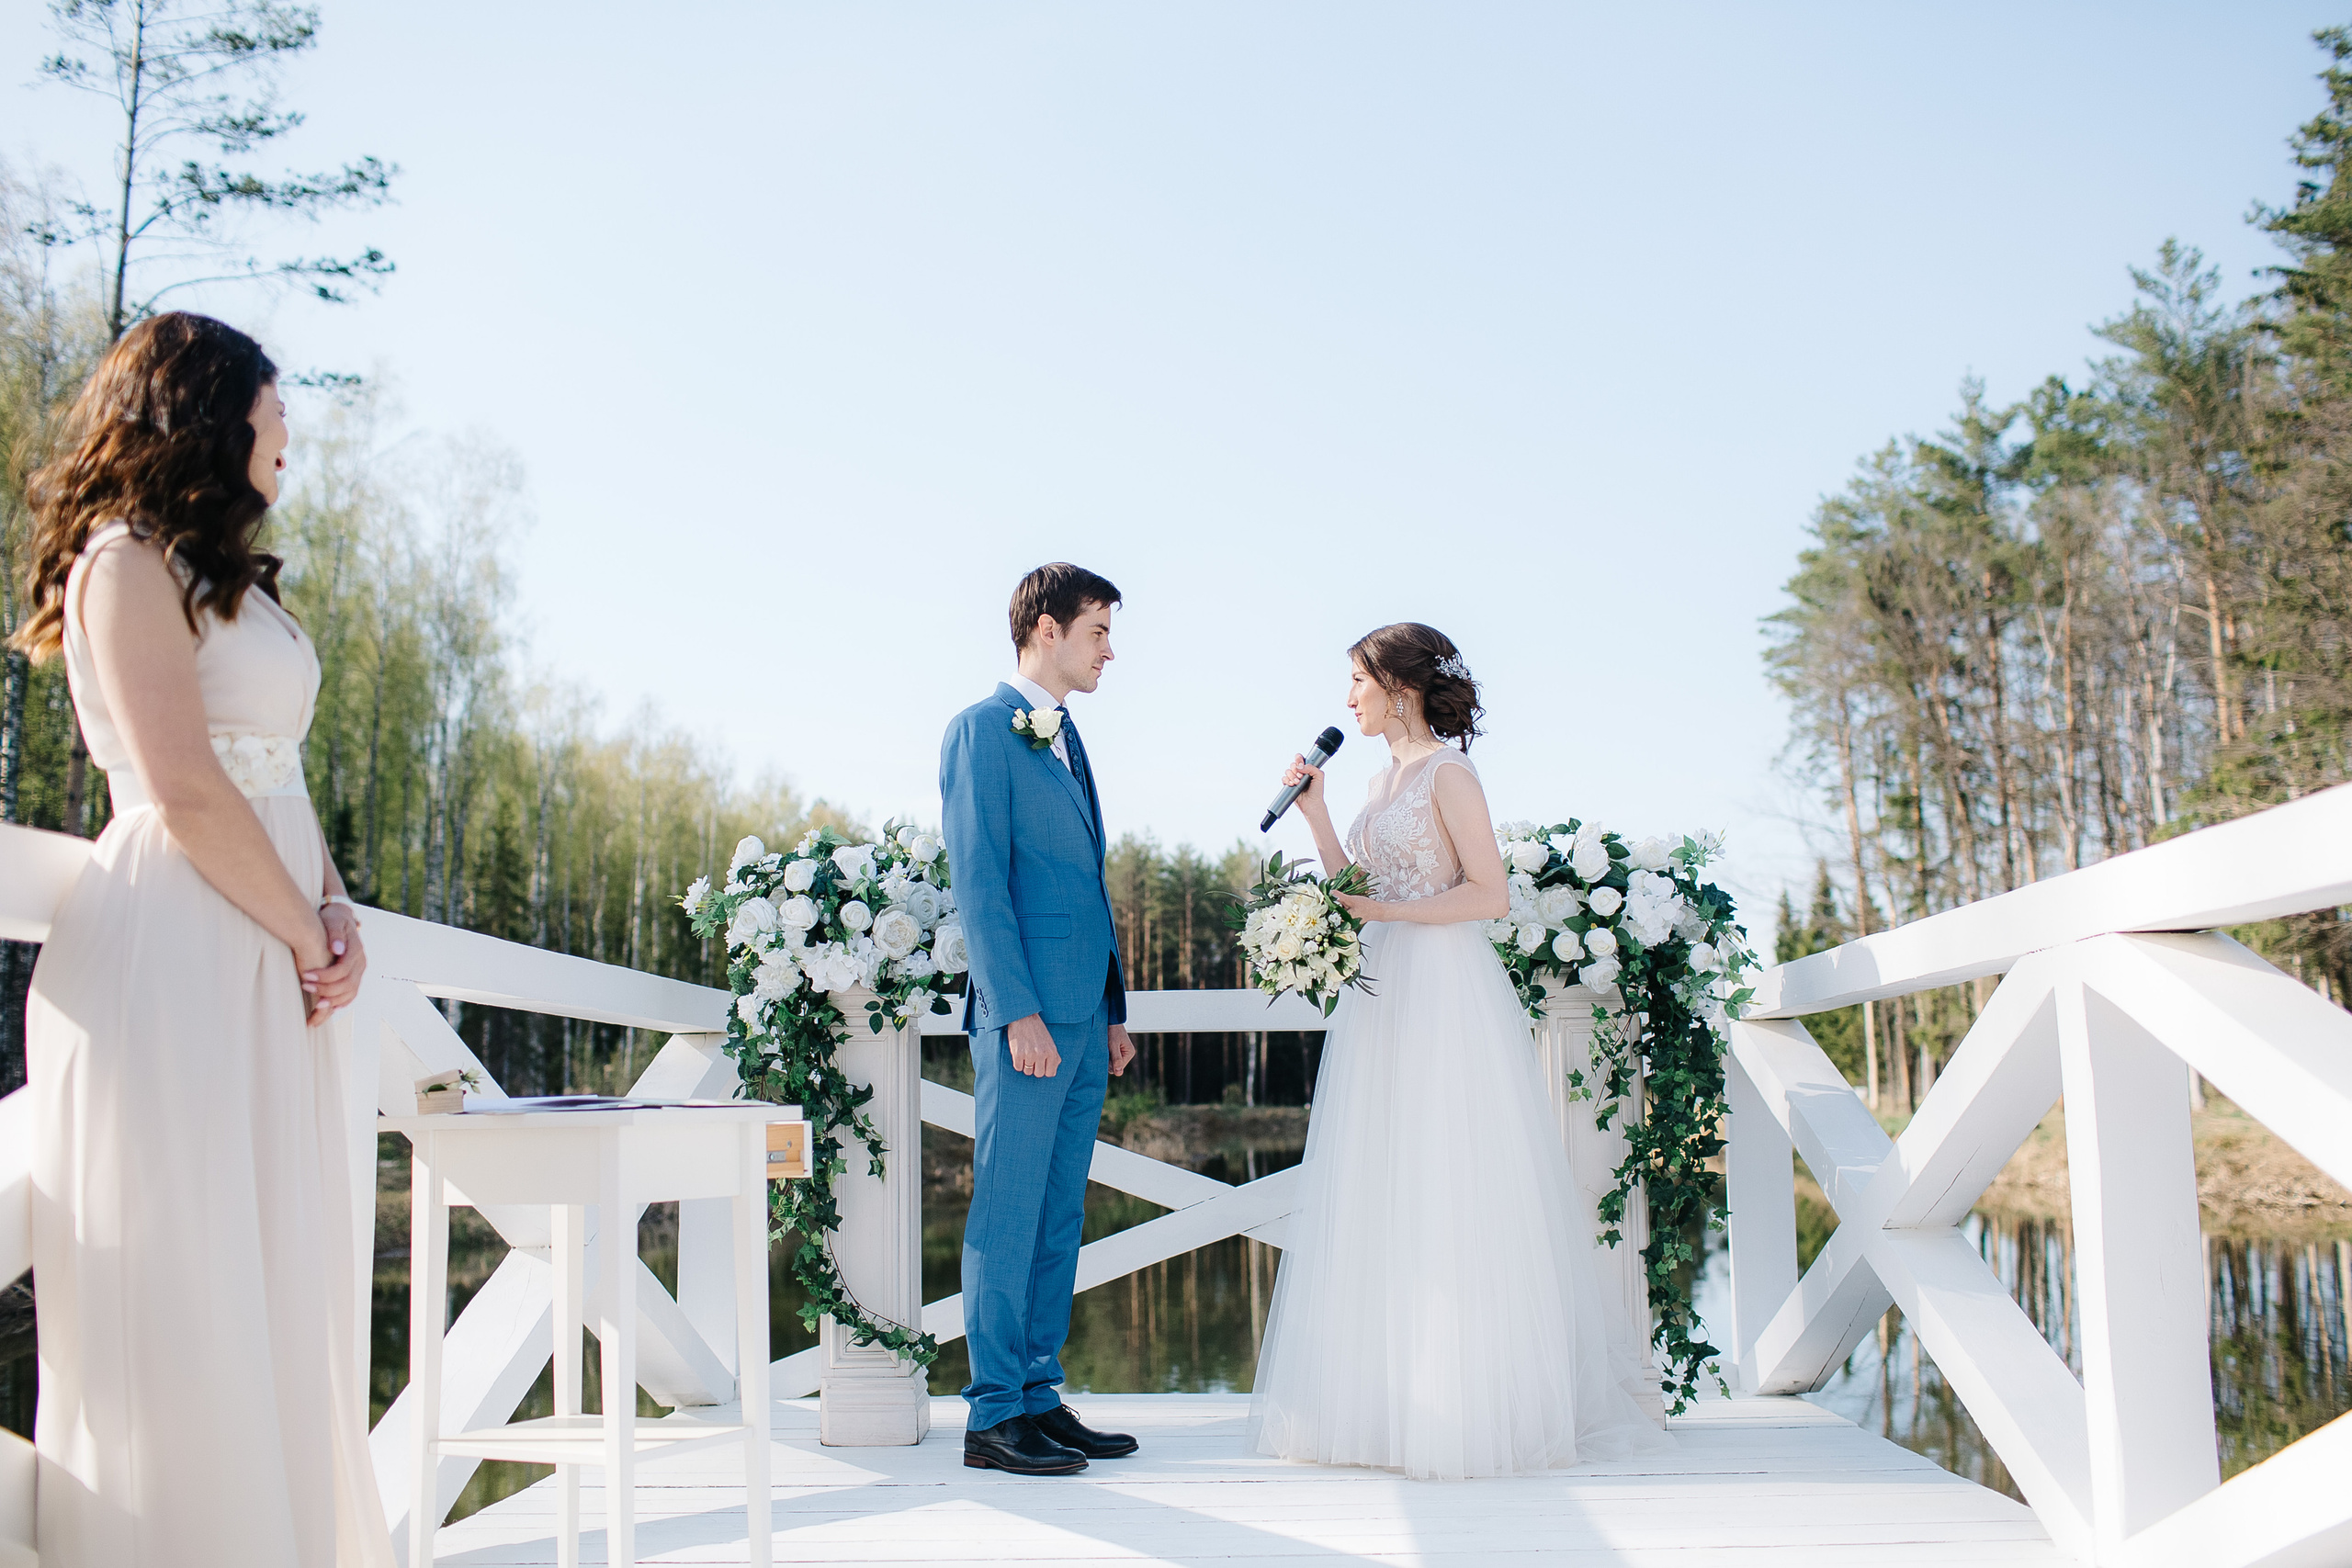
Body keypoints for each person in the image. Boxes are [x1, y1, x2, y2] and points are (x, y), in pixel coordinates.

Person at [15, 313, 391, 1565]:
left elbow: (274, 774)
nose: (286, 448)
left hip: (271, 944)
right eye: (274, 423)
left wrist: (333, 906)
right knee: (189, 1279)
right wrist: (301, 928)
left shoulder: (231, 577)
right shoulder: (122, 564)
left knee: (278, 1276)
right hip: (176, 946)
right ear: (208, 420)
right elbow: (180, 785)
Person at [1247, 622, 1671, 1480]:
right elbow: (1354, 889)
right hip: (1385, 995)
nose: (1348, 699)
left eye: (1357, 681)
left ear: (1398, 685)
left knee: (1448, 1184)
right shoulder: (1375, 779)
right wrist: (1320, 812)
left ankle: (1468, 1410)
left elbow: (1489, 893)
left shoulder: (1450, 772)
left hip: (1444, 987)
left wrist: (1391, 918)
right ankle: (1383, 1409)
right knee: (1383, 1183)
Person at [937, 562, 1142, 1475]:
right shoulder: (980, 731)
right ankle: (989, 1417)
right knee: (1008, 1214)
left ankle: (1036, 1395)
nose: (1110, 649)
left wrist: (1109, 1007)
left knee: (1059, 1216)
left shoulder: (1071, 740)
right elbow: (979, 881)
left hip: (1082, 1018)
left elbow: (1083, 886)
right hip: (1023, 1022)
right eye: (1098, 630)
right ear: (1046, 631)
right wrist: (1017, 1010)